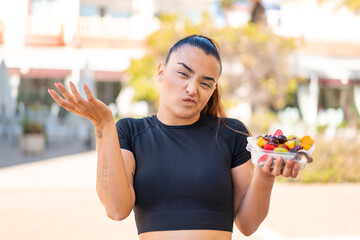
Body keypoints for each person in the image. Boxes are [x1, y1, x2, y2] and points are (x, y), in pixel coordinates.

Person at [48, 35, 300, 240]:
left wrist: (266, 176)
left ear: (213, 90)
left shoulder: (231, 133)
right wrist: (103, 123)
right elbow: (116, 209)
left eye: (205, 83)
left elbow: (247, 224)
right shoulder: (130, 132)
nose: (192, 89)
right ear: (161, 72)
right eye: (183, 73)